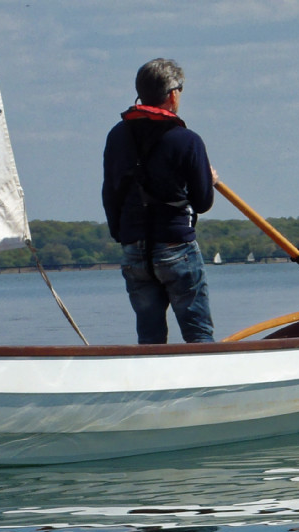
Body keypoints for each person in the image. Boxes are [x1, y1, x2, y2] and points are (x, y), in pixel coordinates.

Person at [102, 58, 216, 344]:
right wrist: (208, 179)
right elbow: (202, 202)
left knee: (150, 338)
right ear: (172, 95)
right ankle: (206, 384)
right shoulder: (187, 140)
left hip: (134, 249)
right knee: (198, 335)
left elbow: (110, 192)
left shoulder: (117, 135)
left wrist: (123, 235)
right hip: (176, 246)